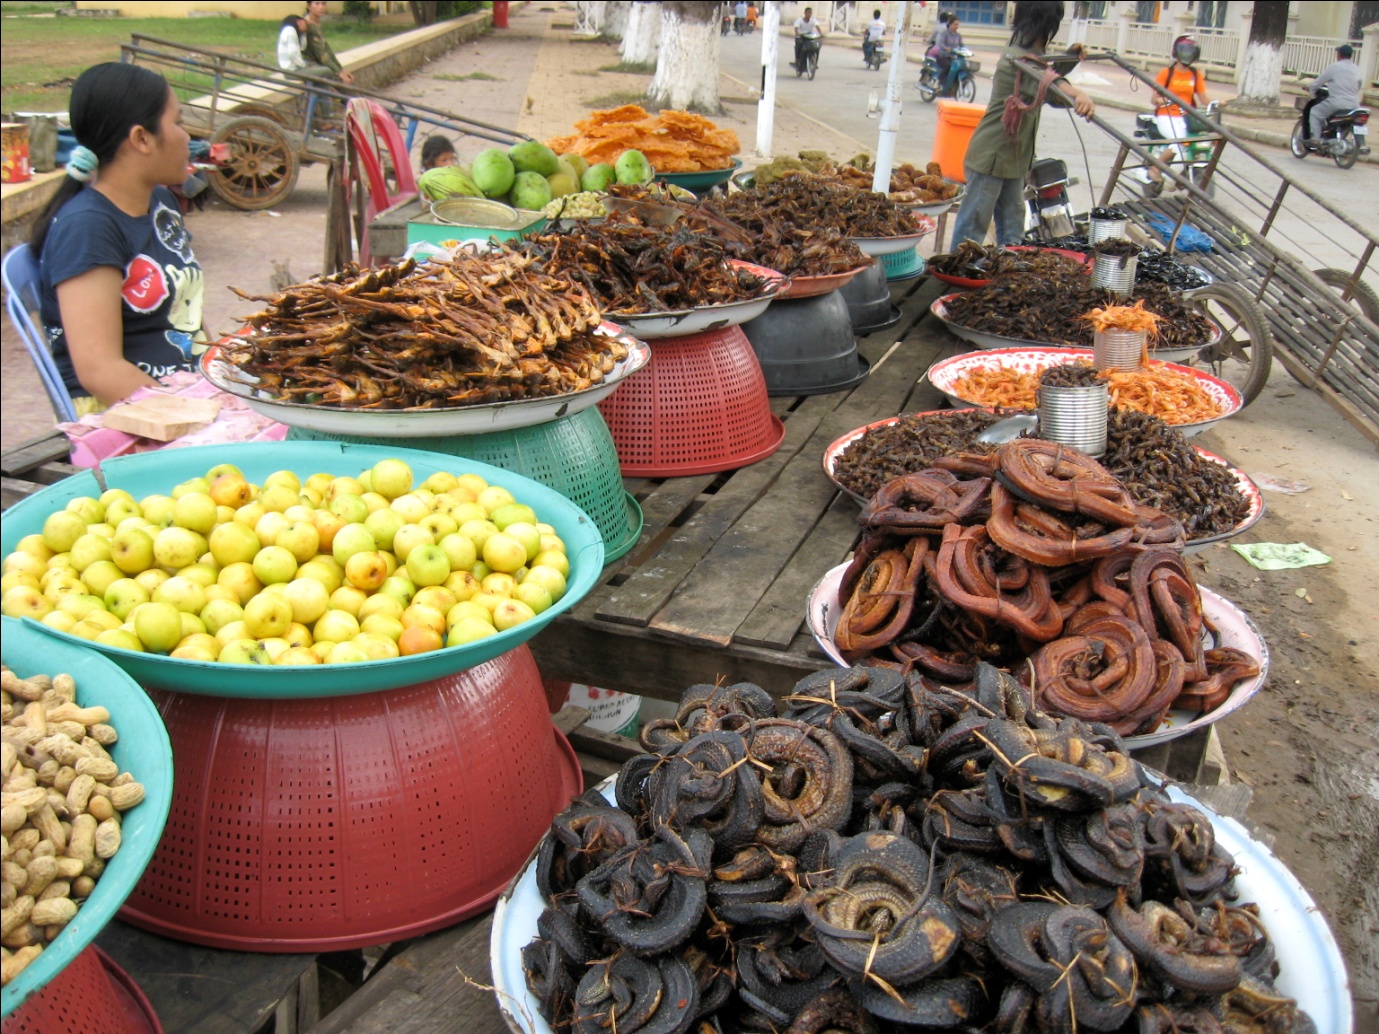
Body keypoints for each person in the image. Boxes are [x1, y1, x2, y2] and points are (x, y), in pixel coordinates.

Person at [32, 63, 205, 412]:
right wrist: (203, 418)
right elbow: (101, 372)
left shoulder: (162, 203)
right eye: (178, 122)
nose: (189, 137)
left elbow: (188, 320)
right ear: (142, 138)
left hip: (188, 392)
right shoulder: (87, 229)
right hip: (122, 414)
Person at [948, 1, 1096, 248]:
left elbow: (1044, 77)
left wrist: (1069, 58)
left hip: (1013, 161)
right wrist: (1077, 93)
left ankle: (1005, 277)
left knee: (1013, 230)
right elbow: (1046, 82)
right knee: (971, 233)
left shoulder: (1029, 55)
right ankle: (952, 279)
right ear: (1046, 24)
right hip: (991, 159)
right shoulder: (1016, 58)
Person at [1146, 34, 1209, 194]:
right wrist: (1163, 101)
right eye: (1184, 51)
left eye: (1190, 51)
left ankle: (1181, 175)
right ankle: (1156, 168)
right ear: (1177, 52)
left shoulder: (1195, 74)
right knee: (1179, 143)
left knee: (1196, 142)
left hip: (1186, 117)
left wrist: (1217, 103)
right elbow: (1154, 99)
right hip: (1166, 115)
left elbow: (1204, 98)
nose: (1187, 54)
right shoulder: (1166, 73)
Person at [1305, 44, 1363, 146]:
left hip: (1338, 102)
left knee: (1315, 112)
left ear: (1339, 55)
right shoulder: (1356, 69)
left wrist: (1311, 90)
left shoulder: (1334, 67)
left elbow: (1319, 81)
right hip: (1355, 104)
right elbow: (1359, 85)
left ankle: (1316, 139)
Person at [303, 0, 355, 86]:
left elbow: (327, 49)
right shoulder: (309, 25)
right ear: (309, 6)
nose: (321, 7)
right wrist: (339, 72)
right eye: (317, 3)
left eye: (323, 3)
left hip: (319, 63)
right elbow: (322, 56)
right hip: (310, 64)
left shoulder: (315, 23)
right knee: (344, 85)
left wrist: (341, 69)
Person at [934, 16, 964, 96]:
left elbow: (962, 45)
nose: (957, 26)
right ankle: (937, 82)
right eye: (955, 24)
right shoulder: (944, 33)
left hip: (953, 56)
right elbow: (940, 43)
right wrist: (945, 48)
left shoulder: (958, 35)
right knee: (948, 66)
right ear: (950, 24)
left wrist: (966, 51)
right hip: (942, 55)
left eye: (958, 24)